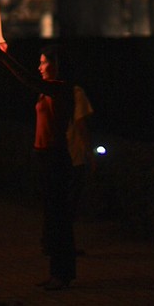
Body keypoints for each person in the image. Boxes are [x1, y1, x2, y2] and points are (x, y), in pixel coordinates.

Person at [0, 42, 75, 290]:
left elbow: (27, 79)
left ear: (58, 65)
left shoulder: (61, 89)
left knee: (58, 218)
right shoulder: (47, 91)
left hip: (55, 158)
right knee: (52, 216)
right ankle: (58, 272)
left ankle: (62, 274)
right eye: (40, 61)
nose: (40, 66)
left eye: (45, 62)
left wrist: (3, 57)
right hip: (45, 157)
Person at [66, 84, 95, 224]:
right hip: (74, 154)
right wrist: (90, 153)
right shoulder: (76, 92)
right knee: (71, 198)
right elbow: (81, 124)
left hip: (58, 151)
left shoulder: (52, 89)